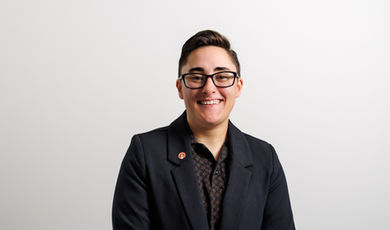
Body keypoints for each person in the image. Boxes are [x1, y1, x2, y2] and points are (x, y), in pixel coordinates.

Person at [112, 30, 295, 230]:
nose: (209, 88)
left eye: (223, 76)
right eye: (197, 77)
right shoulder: (145, 153)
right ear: (180, 87)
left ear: (238, 86)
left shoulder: (264, 157)